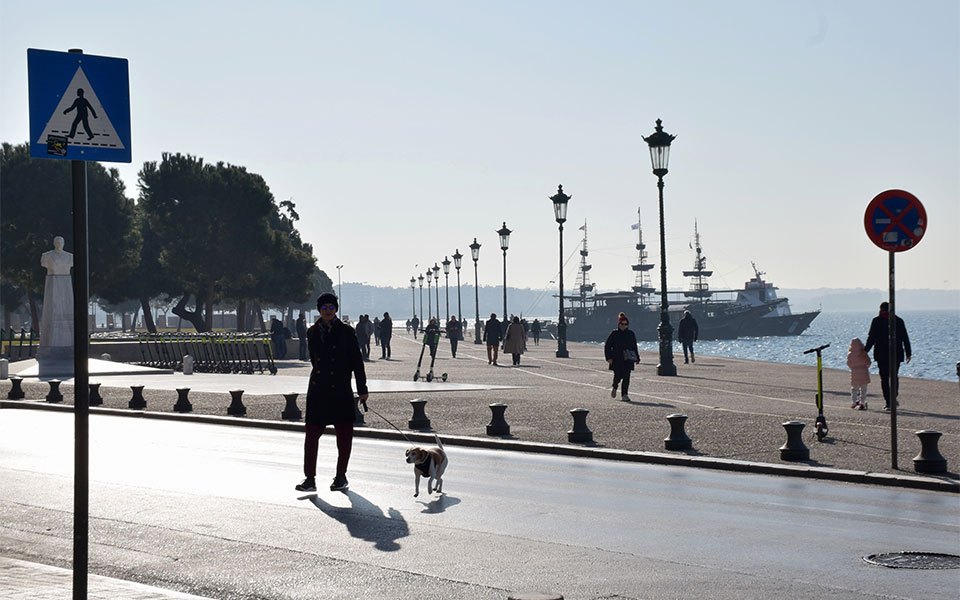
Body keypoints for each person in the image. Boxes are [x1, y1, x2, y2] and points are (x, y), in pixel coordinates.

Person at [296, 293, 368, 492]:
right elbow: (314, 359)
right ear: (319, 309)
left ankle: (341, 476)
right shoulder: (312, 332)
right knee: (311, 435)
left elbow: (357, 362)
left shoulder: (346, 332)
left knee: (344, 436)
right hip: (318, 389)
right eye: (324, 307)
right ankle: (309, 478)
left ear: (336, 309)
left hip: (341, 389)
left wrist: (362, 389)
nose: (328, 310)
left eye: (331, 307)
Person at [863, 302, 912, 411]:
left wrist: (865, 351)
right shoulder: (898, 320)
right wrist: (908, 353)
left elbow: (871, 337)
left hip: (881, 354)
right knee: (894, 376)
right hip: (896, 354)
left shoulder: (876, 321)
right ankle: (893, 397)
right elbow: (905, 338)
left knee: (884, 378)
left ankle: (889, 401)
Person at [604, 312, 640, 402]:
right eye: (622, 324)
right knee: (618, 376)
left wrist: (637, 358)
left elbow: (634, 347)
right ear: (619, 324)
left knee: (627, 377)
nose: (624, 326)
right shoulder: (614, 333)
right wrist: (608, 358)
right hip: (617, 358)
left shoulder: (631, 334)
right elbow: (607, 346)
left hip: (628, 359)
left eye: (626, 324)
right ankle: (615, 386)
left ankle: (624, 394)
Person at [846, 337, 870, 410]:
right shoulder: (863, 353)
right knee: (863, 389)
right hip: (864, 372)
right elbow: (868, 362)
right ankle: (862, 402)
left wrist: (853, 368)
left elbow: (848, 363)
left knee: (854, 389)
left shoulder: (850, 354)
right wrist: (866, 366)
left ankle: (854, 402)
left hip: (854, 373)